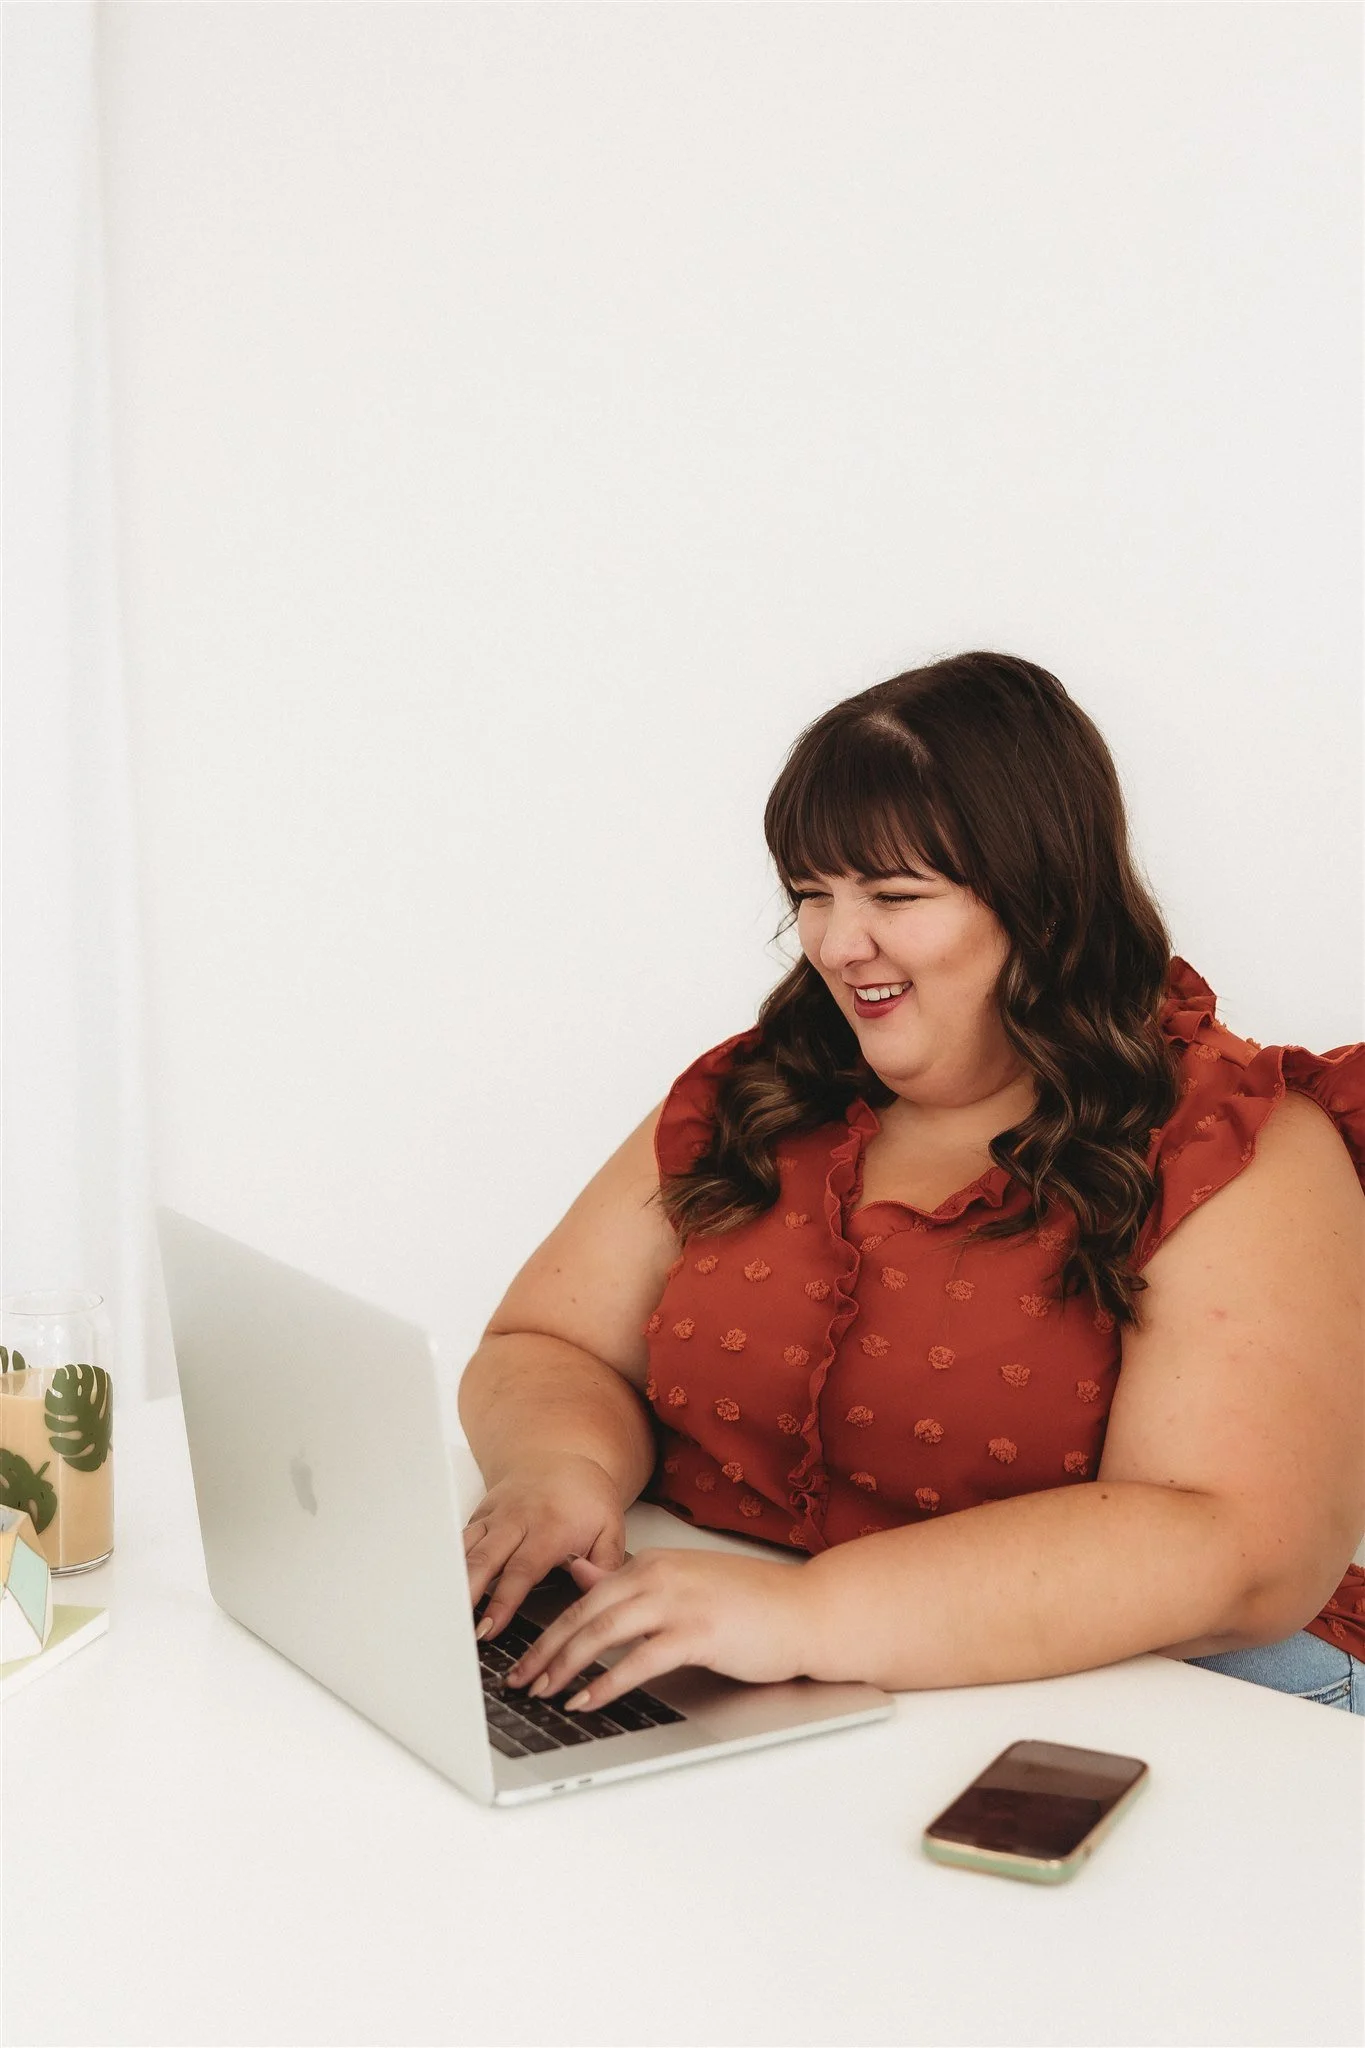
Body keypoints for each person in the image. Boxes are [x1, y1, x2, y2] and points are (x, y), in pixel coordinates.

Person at [459, 651, 1365, 1718]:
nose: (840, 944)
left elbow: (1241, 1550)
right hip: (788, 1669)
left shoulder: (1238, 1143)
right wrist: (559, 1467)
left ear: (1045, 905)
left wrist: (803, 1620)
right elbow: (545, 1343)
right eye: (811, 893)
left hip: (1185, 1701)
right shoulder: (756, 1093)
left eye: (895, 893)